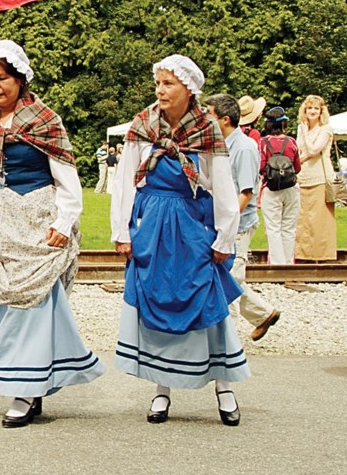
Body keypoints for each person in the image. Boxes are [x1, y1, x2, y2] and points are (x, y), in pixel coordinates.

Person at [0, 40, 104, 429]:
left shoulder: (45, 121)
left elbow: (67, 180)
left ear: (20, 79)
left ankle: (25, 390)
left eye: (2, 77)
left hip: (37, 225)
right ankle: (25, 382)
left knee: (32, 310)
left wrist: (63, 222)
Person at [111, 54, 249, 426]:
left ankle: (224, 388)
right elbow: (125, 179)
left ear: (188, 89)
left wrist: (224, 237)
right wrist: (122, 231)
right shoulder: (143, 123)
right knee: (156, 301)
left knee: (207, 301)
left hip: (190, 223)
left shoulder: (206, 128)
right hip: (152, 223)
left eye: (168, 83)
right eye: (158, 83)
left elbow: (222, 184)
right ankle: (161, 389)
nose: (160, 90)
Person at [205, 94, 281, 341]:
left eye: (210, 116)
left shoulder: (245, 148)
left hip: (239, 222)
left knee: (229, 278)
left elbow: (247, 192)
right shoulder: (221, 145)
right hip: (224, 219)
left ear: (224, 119)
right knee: (228, 275)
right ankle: (263, 314)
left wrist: (228, 220)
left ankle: (227, 341)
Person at [295, 95, 337, 261]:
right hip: (303, 176)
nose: (312, 111)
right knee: (303, 217)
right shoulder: (301, 127)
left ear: (321, 111)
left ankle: (322, 255)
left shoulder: (325, 129)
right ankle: (303, 254)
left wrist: (305, 134)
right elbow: (299, 151)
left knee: (319, 218)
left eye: (316, 108)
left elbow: (314, 150)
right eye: (309, 108)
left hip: (320, 177)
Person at [260, 107, 302, 264]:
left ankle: (277, 264)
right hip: (291, 188)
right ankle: (288, 262)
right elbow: (297, 167)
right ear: (284, 123)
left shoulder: (263, 143)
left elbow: (261, 166)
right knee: (289, 228)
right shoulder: (291, 142)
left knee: (273, 228)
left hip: (271, 189)